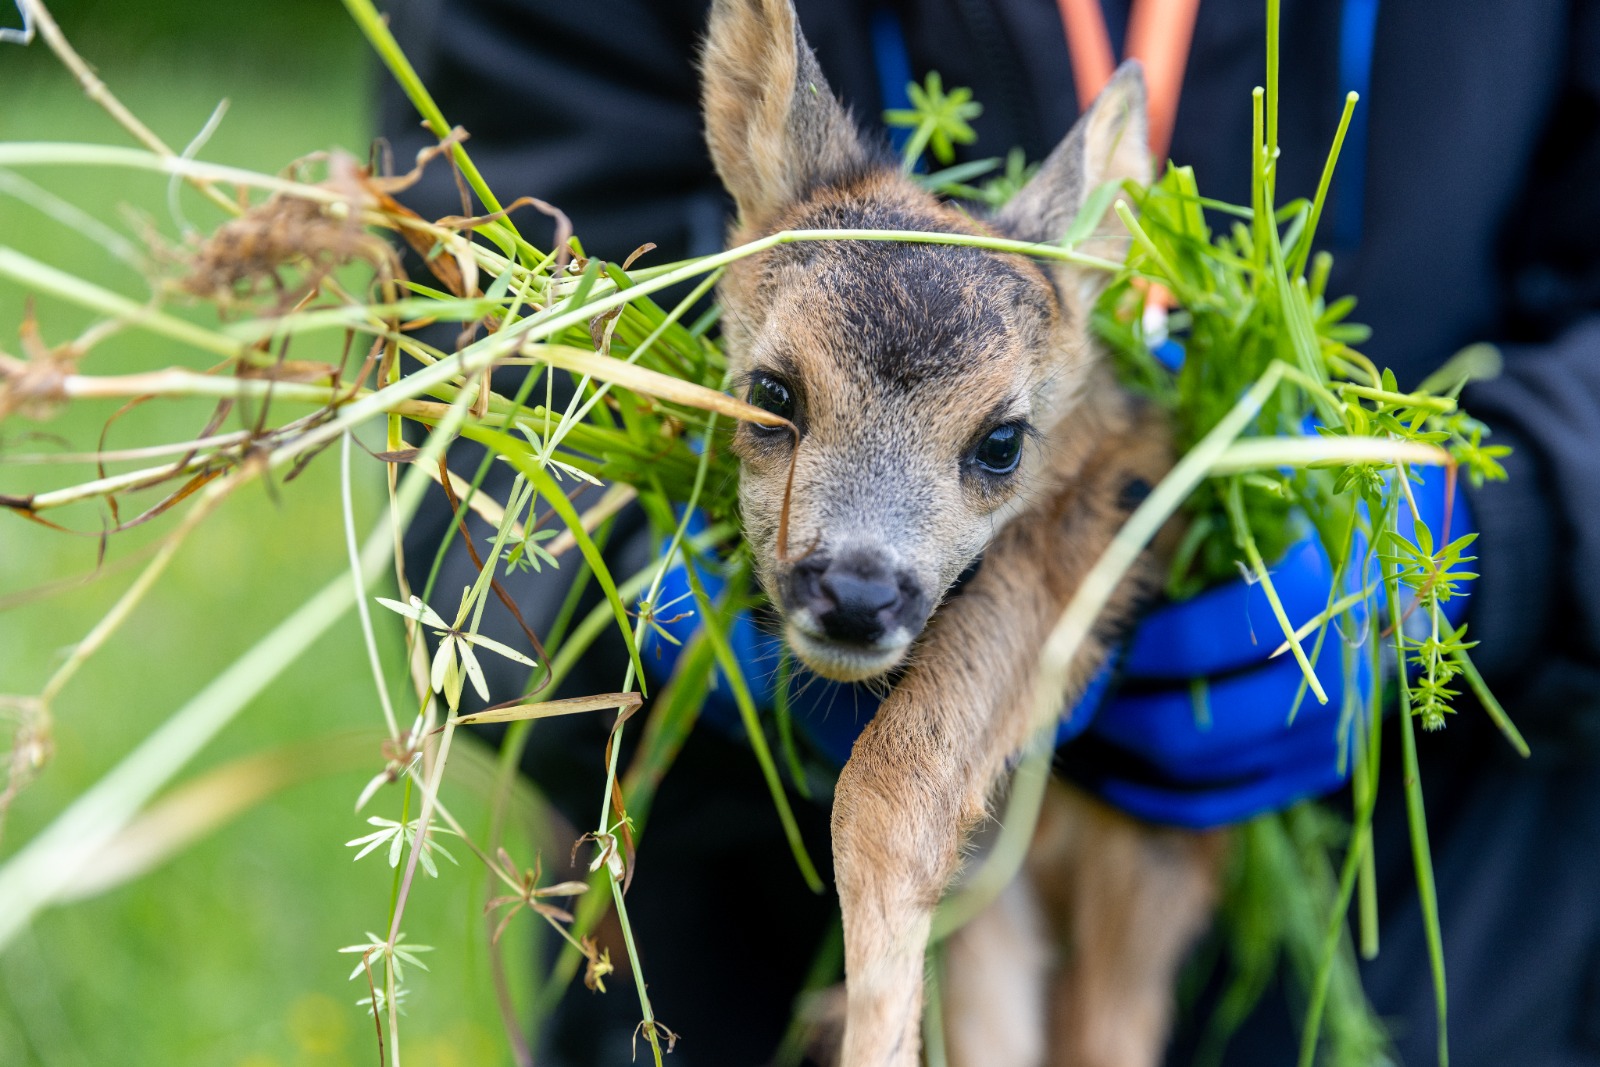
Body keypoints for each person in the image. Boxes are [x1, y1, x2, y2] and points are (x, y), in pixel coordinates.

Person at [381, 2, 1600, 1064]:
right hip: (723, 977)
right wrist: (620, 592)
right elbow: (469, 393)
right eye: (775, 403)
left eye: (994, 451)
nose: (860, 563)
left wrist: (1496, 532)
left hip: (1457, 949)